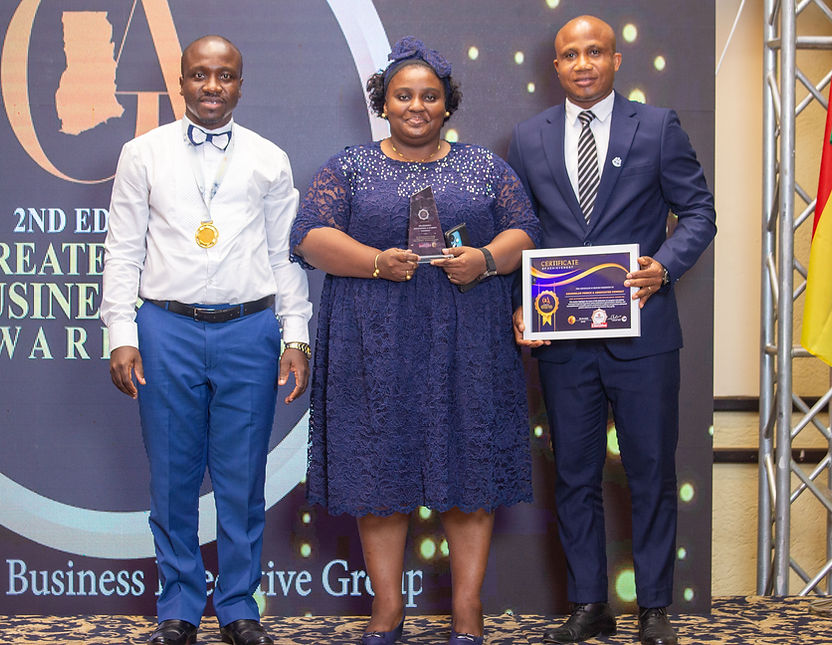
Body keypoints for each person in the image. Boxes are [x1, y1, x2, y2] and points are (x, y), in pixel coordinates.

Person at [290, 36, 539, 645]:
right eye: (404, 95)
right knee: (380, 481)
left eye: (430, 96)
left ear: (447, 104)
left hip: (469, 346)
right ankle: (386, 611)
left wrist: (482, 258)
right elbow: (308, 235)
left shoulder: (484, 166)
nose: (417, 106)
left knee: (468, 475)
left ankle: (467, 612)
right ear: (384, 102)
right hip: (373, 345)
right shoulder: (349, 165)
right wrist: (377, 261)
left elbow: (525, 232)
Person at [508, 15, 716, 645]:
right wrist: (523, 305)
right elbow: (524, 232)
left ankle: (654, 606)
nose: (582, 63)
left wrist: (666, 266)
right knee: (574, 475)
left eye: (594, 51)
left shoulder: (657, 126)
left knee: (650, 470)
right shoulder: (527, 137)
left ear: (616, 60)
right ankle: (589, 604)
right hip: (565, 340)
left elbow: (700, 211)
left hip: (644, 333)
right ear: (556, 67)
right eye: (569, 54)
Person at [101, 35, 312, 645]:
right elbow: (121, 252)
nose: (212, 86)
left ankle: (239, 605)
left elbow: (284, 256)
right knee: (172, 475)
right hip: (165, 327)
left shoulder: (269, 159)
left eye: (224, 76)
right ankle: (179, 608)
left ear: (241, 84)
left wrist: (294, 336)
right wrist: (121, 330)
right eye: (200, 75)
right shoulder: (141, 153)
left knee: (242, 476)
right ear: (183, 82)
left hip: (250, 328)